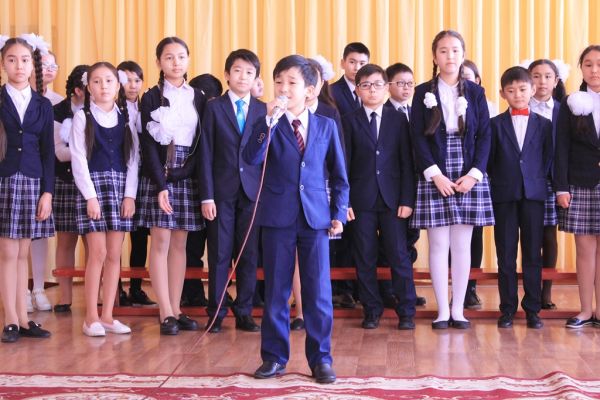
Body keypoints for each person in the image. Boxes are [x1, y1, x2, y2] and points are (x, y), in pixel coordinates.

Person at [243, 55, 348, 384]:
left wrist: (338, 213)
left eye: (292, 83)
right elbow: (250, 157)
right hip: (277, 217)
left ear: (310, 90)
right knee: (277, 290)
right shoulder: (267, 122)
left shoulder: (326, 126)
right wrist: (267, 124)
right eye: (279, 82)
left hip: (315, 218)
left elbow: (340, 177)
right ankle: (274, 357)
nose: (283, 89)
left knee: (318, 292)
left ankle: (321, 359)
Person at [410, 30, 494, 330]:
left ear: (463, 54)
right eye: (443, 50)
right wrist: (434, 174)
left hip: (467, 167)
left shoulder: (476, 92)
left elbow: (485, 135)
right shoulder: (422, 92)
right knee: (438, 244)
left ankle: (458, 309)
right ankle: (442, 310)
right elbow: (417, 137)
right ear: (435, 56)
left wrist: (474, 174)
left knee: (462, 244)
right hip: (436, 167)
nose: (450, 56)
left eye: (455, 50)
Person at [138, 37, 205, 335]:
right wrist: (162, 183)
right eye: (169, 57)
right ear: (158, 62)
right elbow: (148, 145)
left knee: (180, 243)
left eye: (181, 56)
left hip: (186, 172)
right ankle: (164, 310)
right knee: (161, 241)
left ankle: (176, 309)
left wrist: (185, 172)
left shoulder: (198, 96)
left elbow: (201, 143)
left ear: (188, 59)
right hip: (159, 174)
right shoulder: (151, 97)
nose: (176, 62)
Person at [343, 63, 416, 330]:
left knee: (399, 255)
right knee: (365, 257)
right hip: (360, 200)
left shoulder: (399, 120)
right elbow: (343, 164)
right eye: (365, 85)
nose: (371, 90)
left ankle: (406, 311)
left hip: (393, 200)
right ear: (357, 90)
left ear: (386, 87)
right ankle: (371, 310)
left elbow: (407, 163)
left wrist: (407, 200)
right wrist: (345, 201)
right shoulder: (348, 120)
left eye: (377, 85)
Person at [70, 62, 139, 336]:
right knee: (96, 253)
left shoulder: (126, 118)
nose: (103, 86)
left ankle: (108, 316)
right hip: (94, 189)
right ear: (88, 87)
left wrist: (130, 195)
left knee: (113, 255)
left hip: (119, 188)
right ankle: (91, 317)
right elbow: (78, 159)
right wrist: (90, 197)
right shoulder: (82, 117)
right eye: (97, 82)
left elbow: (133, 160)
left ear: (118, 85)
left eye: (109, 81)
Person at [199, 49, 265, 333]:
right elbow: (206, 153)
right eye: (237, 70)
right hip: (221, 193)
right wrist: (207, 195)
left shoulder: (263, 110)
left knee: (248, 254)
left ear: (256, 78)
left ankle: (244, 311)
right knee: (219, 254)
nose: (243, 77)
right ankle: (216, 312)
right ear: (227, 75)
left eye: (249, 72)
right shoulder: (214, 108)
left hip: (253, 193)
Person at [489, 66, 552, 329]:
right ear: (502, 93)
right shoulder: (494, 125)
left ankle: (532, 310)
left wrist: (536, 181)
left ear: (533, 90)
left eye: (523, 89)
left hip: (534, 195)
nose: (518, 94)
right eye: (511, 90)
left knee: (532, 254)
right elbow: (490, 160)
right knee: (505, 254)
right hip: (504, 195)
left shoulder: (545, 125)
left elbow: (547, 159)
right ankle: (507, 309)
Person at [0, 36, 54, 343]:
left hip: (33, 181)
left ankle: (22, 318)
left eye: (24, 60)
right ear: (3, 64)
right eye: (11, 60)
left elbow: (48, 152)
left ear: (32, 65)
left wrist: (47, 192)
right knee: (8, 252)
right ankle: (10, 318)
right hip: (5, 180)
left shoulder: (42, 104)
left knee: (23, 252)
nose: (18, 66)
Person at [554, 44, 600, 329]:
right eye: (588, 64)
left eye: (599, 64)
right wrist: (561, 187)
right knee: (584, 250)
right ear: (581, 68)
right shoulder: (571, 102)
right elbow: (561, 149)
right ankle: (584, 310)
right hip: (580, 183)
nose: (595, 70)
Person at [385, 62, 427, 307]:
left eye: (410, 83)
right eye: (400, 83)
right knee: (393, 243)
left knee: (411, 239)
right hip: (393, 187)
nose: (406, 88)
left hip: (417, 184)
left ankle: (406, 289)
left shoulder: (417, 111)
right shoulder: (384, 112)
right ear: (388, 85)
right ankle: (390, 291)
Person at [528, 58, 568, 310]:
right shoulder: (519, 106)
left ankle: (546, 291)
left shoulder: (564, 111)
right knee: (529, 235)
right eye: (536, 76)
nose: (542, 81)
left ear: (556, 81)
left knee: (548, 235)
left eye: (547, 76)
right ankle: (530, 290)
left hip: (553, 180)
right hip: (527, 179)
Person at [116, 60, 155, 306]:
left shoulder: (146, 107)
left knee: (140, 236)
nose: (133, 85)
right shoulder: (113, 108)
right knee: (116, 236)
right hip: (120, 176)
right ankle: (116, 288)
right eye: (128, 80)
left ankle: (136, 288)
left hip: (143, 177)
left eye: (137, 80)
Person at [460, 58, 498, 309]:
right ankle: (453, 287)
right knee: (450, 237)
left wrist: (476, 173)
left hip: (480, 176)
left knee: (474, 234)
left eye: (468, 77)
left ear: (477, 81)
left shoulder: (488, 108)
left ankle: (470, 288)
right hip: (451, 176)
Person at [52, 64, 88, 313]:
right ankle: (65, 298)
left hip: (90, 183)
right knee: (65, 239)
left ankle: (96, 295)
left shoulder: (98, 110)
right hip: (65, 181)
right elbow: (58, 152)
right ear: (78, 90)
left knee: (93, 241)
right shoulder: (58, 111)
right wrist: (84, 152)